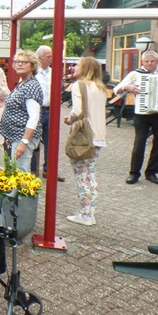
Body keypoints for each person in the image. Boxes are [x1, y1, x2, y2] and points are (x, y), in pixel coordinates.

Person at [114, 50, 158, 185]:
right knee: (139, 143)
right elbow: (117, 89)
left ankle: (152, 172)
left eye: (152, 61)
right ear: (142, 62)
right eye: (146, 61)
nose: (149, 64)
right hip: (142, 113)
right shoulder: (136, 74)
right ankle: (134, 173)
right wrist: (127, 87)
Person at [63, 57, 107, 226]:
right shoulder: (101, 88)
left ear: (86, 68)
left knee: (81, 175)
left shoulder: (79, 86)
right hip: (99, 136)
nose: (74, 68)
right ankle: (91, 211)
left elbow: (77, 110)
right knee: (91, 173)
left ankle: (85, 214)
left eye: (78, 65)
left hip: (84, 135)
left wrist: (69, 118)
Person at [0, 50, 43, 173]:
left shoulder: (31, 86)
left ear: (32, 65)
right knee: (15, 171)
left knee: (20, 172)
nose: (19, 64)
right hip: (16, 136)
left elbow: (34, 117)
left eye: (24, 62)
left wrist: (24, 142)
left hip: (23, 136)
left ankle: (23, 193)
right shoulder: (22, 83)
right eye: (17, 62)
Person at [31, 45, 65, 181]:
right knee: (34, 140)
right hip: (36, 110)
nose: (52, 59)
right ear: (40, 58)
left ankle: (49, 170)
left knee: (51, 141)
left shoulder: (54, 72)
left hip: (50, 110)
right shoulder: (33, 73)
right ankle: (33, 171)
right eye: (49, 56)